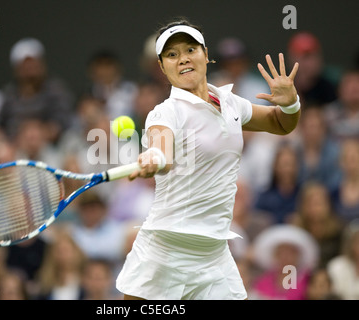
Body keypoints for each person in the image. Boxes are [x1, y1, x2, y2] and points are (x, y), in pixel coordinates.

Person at [116, 18, 301, 300]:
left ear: (206, 54)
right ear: (163, 68)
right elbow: (161, 148)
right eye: (172, 54)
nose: (183, 59)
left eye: (190, 49)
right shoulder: (165, 113)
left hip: (214, 254)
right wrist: (155, 156)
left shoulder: (230, 103)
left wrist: (290, 103)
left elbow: (280, 123)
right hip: (166, 250)